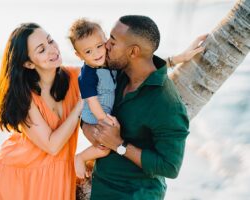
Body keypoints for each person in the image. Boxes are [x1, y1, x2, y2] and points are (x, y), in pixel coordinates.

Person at [81, 15, 207, 199]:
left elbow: (169, 167)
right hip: (100, 190)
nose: (105, 45)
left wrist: (119, 145)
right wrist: (87, 127)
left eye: (113, 42)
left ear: (133, 52)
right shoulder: (116, 74)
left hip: (136, 195)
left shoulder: (167, 103)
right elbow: (87, 99)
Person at [0, 23, 83, 200]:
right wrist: (81, 105)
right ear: (28, 63)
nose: (52, 50)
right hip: (16, 179)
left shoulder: (76, 78)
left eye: (50, 41)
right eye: (41, 50)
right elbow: (52, 145)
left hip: (57, 177)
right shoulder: (23, 96)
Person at [68, 19, 116, 179]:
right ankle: (80, 157)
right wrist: (104, 120)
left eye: (99, 46)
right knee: (105, 147)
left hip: (105, 110)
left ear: (106, 41)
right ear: (78, 55)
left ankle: (91, 160)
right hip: (93, 115)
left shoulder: (109, 62)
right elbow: (92, 102)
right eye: (88, 51)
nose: (96, 54)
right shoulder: (87, 75)